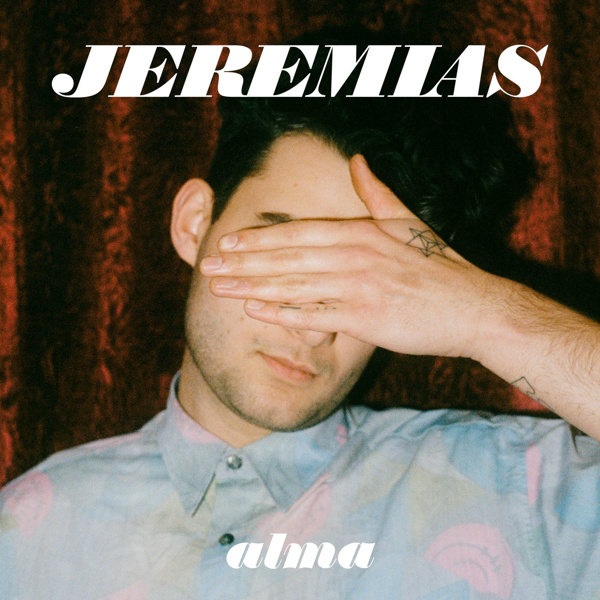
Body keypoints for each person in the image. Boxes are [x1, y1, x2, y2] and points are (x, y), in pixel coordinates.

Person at [1, 41, 600, 600]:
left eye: (361, 282)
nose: (313, 327)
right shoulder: (30, 533)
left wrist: (486, 316)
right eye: (285, 255)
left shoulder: (520, 494)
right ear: (194, 224)